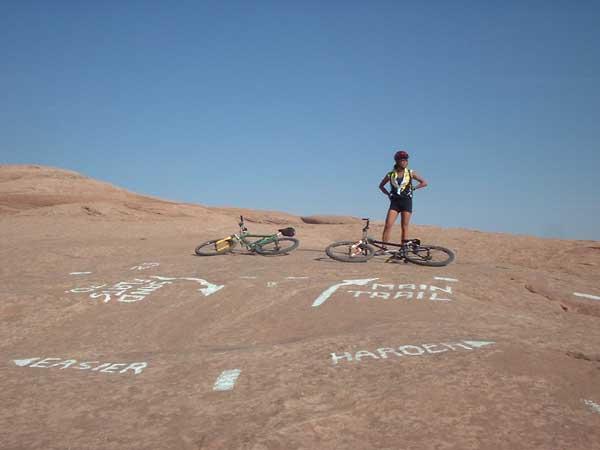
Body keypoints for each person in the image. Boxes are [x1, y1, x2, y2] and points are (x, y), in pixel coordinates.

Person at [378, 150, 427, 249]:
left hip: (406, 202)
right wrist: (388, 194)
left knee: (404, 226)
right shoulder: (391, 174)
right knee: (388, 225)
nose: (404, 162)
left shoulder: (410, 172)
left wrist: (414, 188)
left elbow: (424, 182)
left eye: (406, 160)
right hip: (395, 202)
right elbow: (381, 186)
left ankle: (403, 249)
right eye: (402, 160)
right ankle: (384, 248)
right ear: (397, 161)